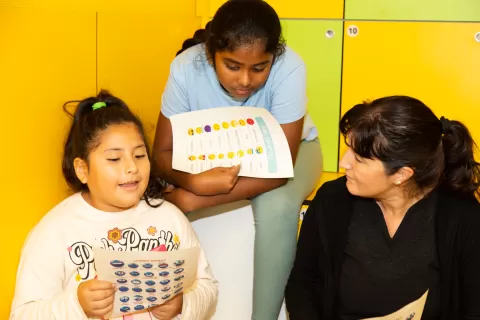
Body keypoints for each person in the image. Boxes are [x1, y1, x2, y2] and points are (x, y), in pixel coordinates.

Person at [152, 0, 322, 318]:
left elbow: (281, 168)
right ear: (210, 53)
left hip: (290, 156)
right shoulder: (186, 68)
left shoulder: (291, 67)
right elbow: (161, 152)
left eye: (259, 68)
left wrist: (196, 198)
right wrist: (192, 180)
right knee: (160, 209)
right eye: (232, 66)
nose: (245, 80)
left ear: (275, 57)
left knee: (276, 206)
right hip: (211, 157)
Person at [10, 90, 218, 320]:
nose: (132, 167)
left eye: (139, 155)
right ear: (82, 169)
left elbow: (207, 286)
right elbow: (22, 315)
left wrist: (183, 303)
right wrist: (76, 305)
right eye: (114, 159)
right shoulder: (55, 231)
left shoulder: (169, 218)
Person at [285, 95, 480, 319]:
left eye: (360, 159)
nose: (344, 163)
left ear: (401, 174)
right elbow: (302, 284)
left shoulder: (463, 219)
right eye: (349, 150)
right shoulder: (332, 200)